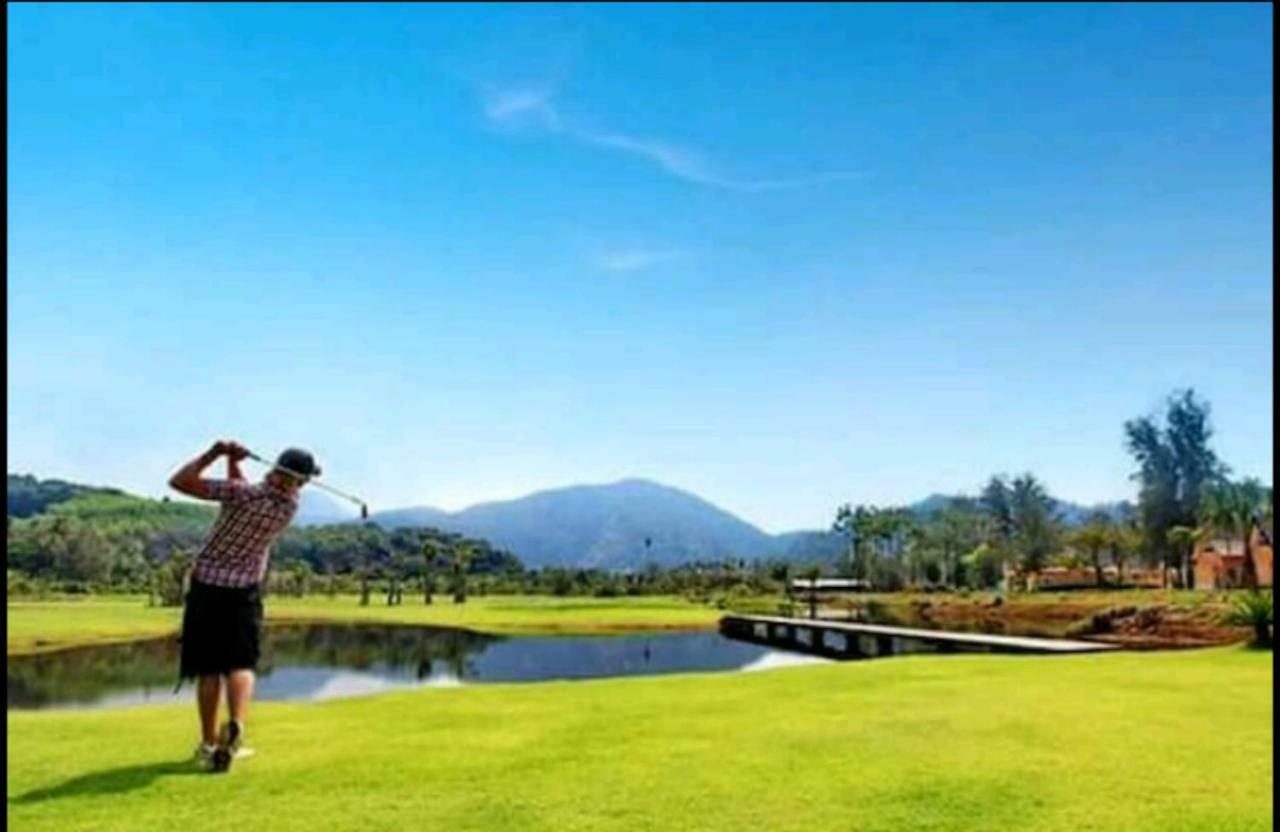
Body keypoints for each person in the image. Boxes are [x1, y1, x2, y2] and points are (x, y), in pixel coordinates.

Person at [168, 440, 320, 773]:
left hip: (207, 586)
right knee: (240, 664)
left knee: (209, 668)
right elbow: (246, 491)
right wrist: (234, 463)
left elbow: (179, 482)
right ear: (299, 483)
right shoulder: (286, 508)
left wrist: (216, 453)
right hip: (244, 593)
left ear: (275, 468)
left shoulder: (241, 494)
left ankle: (209, 744)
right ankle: (235, 725)